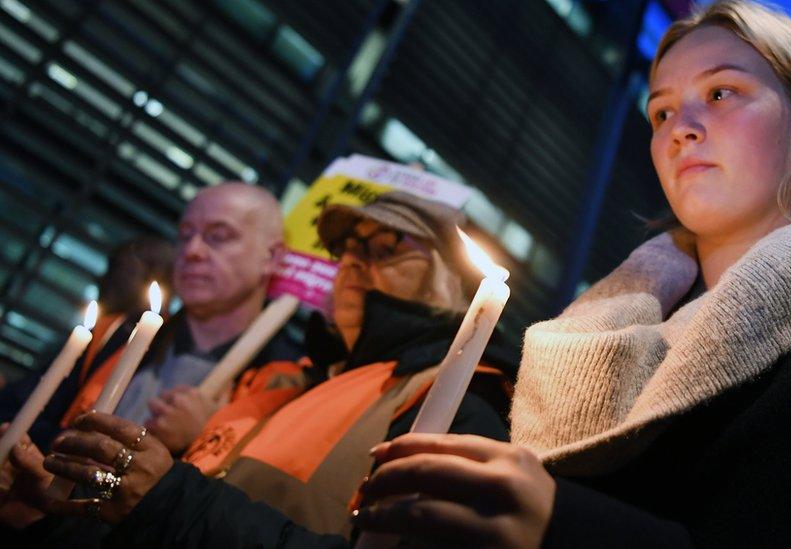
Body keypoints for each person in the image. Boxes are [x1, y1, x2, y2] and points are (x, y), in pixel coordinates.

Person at [343, 1, 791, 547]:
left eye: (722, 93)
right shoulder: (575, 341)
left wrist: (568, 529)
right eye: (661, 113)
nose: (681, 130)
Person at [1, 191, 515, 546]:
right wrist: (41, 521)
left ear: (462, 287)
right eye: (348, 248)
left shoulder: (461, 408)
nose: (356, 261)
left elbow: (174, 507)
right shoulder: (296, 382)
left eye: (386, 249)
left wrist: (169, 497)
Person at [1, 182, 304, 458]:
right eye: (185, 235)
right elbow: (21, 415)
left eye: (218, 236)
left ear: (273, 258)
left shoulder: (285, 382)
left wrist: (205, 437)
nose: (192, 251)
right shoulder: (116, 334)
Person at [0, 235, 175, 451]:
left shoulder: (162, 348)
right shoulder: (107, 327)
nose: (102, 278)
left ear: (152, 274)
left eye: (116, 267)